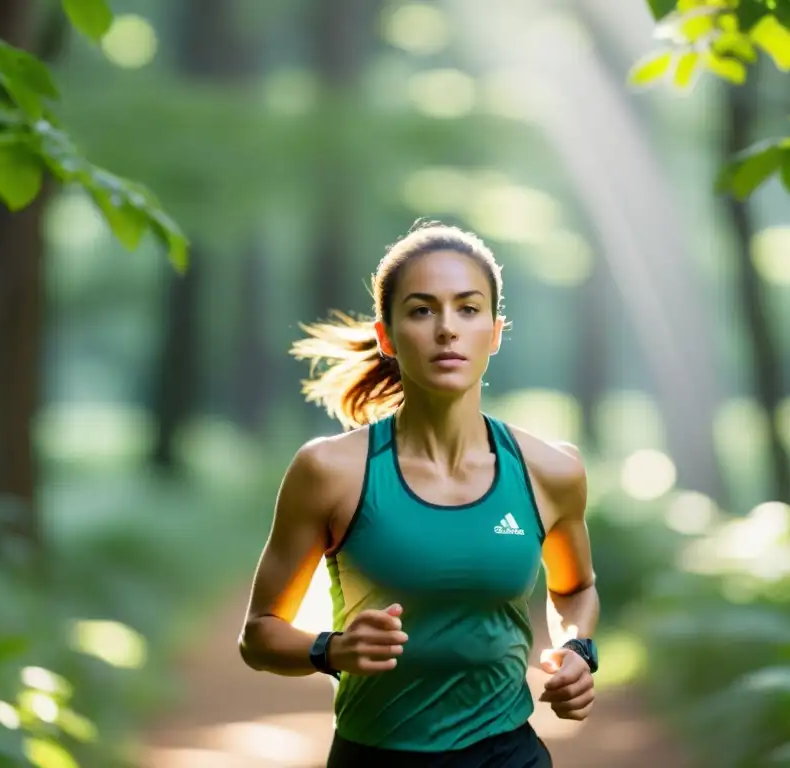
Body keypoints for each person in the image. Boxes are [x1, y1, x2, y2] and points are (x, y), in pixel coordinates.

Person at [238, 221, 600, 767]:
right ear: (387, 336)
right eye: (422, 310)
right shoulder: (330, 471)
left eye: (469, 308)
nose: (448, 329)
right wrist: (332, 649)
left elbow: (576, 589)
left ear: (496, 332)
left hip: (506, 754)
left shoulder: (551, 470)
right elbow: (259, 636)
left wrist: (576, 648)